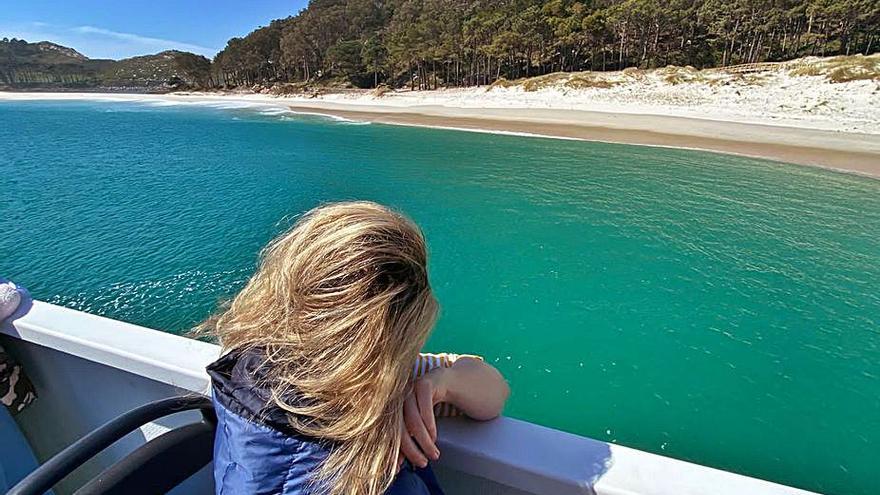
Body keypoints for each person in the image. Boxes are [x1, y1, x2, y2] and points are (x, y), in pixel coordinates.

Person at [200, 202, 509, 495]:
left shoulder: (244, 371)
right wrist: (441, 383)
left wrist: (441, 382)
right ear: (395, 331)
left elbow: (493, 392)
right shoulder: (390, 389)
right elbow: (494, 395)